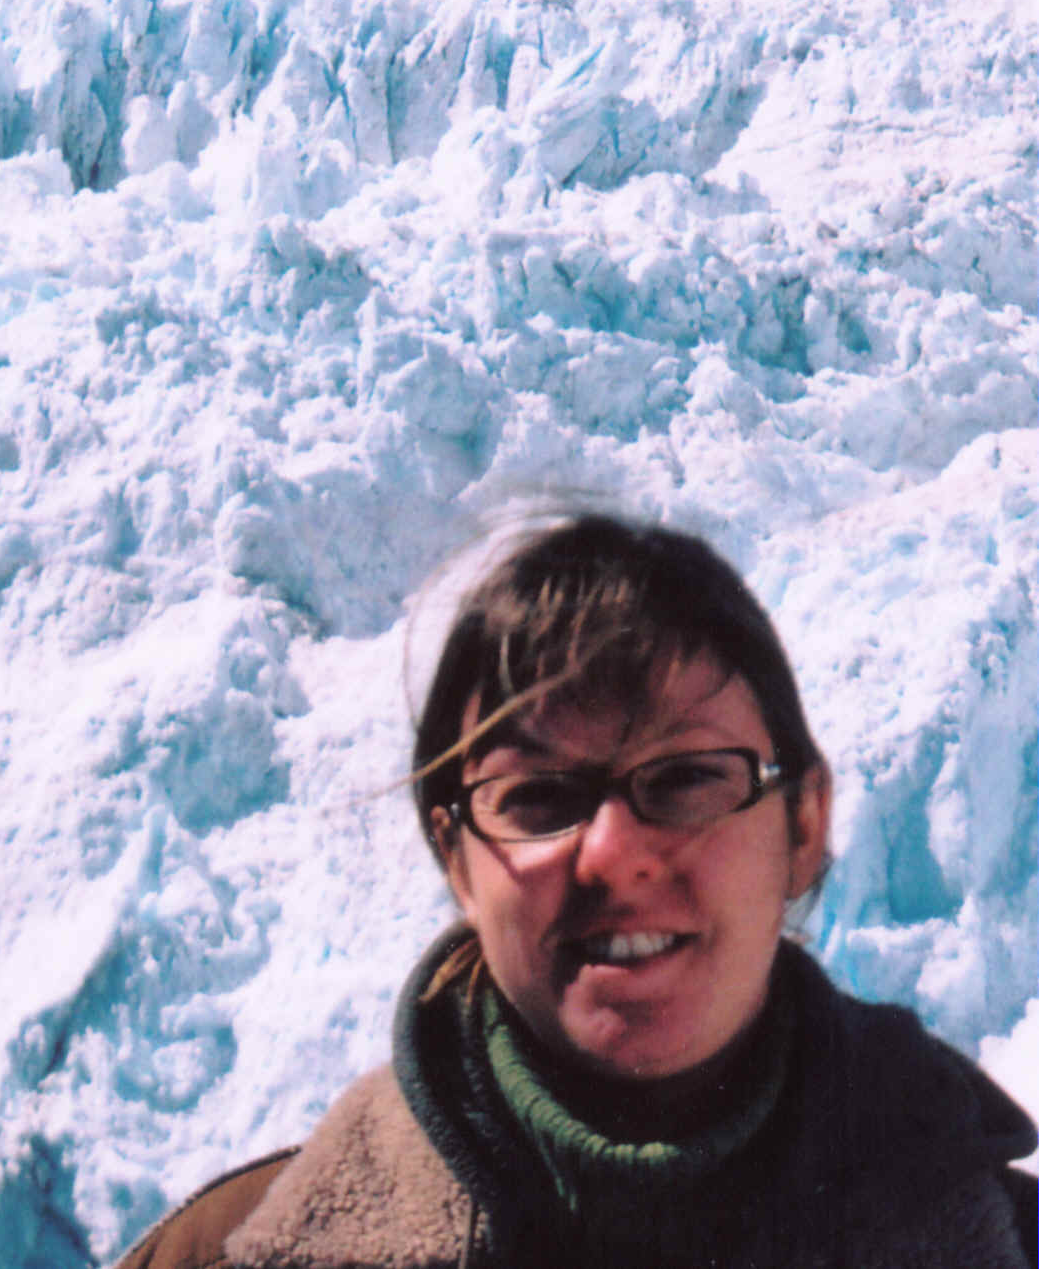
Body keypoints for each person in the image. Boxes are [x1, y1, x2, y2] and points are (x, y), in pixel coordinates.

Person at [110, 513, 1037, 1268]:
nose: (614, 852)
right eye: (540, 797)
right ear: (457, 861)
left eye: (686, 778)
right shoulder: (227, 1254)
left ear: (803, 823)